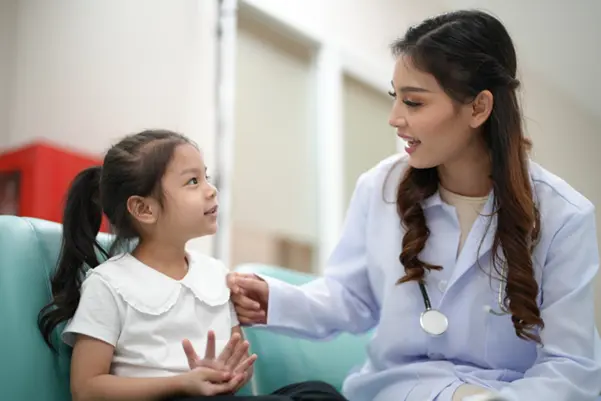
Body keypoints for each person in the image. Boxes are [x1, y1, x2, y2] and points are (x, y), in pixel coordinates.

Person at [227, 9, 601, 401]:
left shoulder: (564, 216)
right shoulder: (380, 187)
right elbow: (351, 299)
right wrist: (277, 300)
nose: (395, 118)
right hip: (395, 392)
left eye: (414, 102)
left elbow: (571, 365)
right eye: (395, 98)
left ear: (479, 108)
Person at [38, 130, 346, 401]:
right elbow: (87, 389)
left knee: (317, 393)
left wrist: (226, 375)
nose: (211, 189)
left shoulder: (215, 274)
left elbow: (238, 364)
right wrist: (182, 384)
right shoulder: (109, 283)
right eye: (193, 181)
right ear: (144, 209)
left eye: (207, 177)